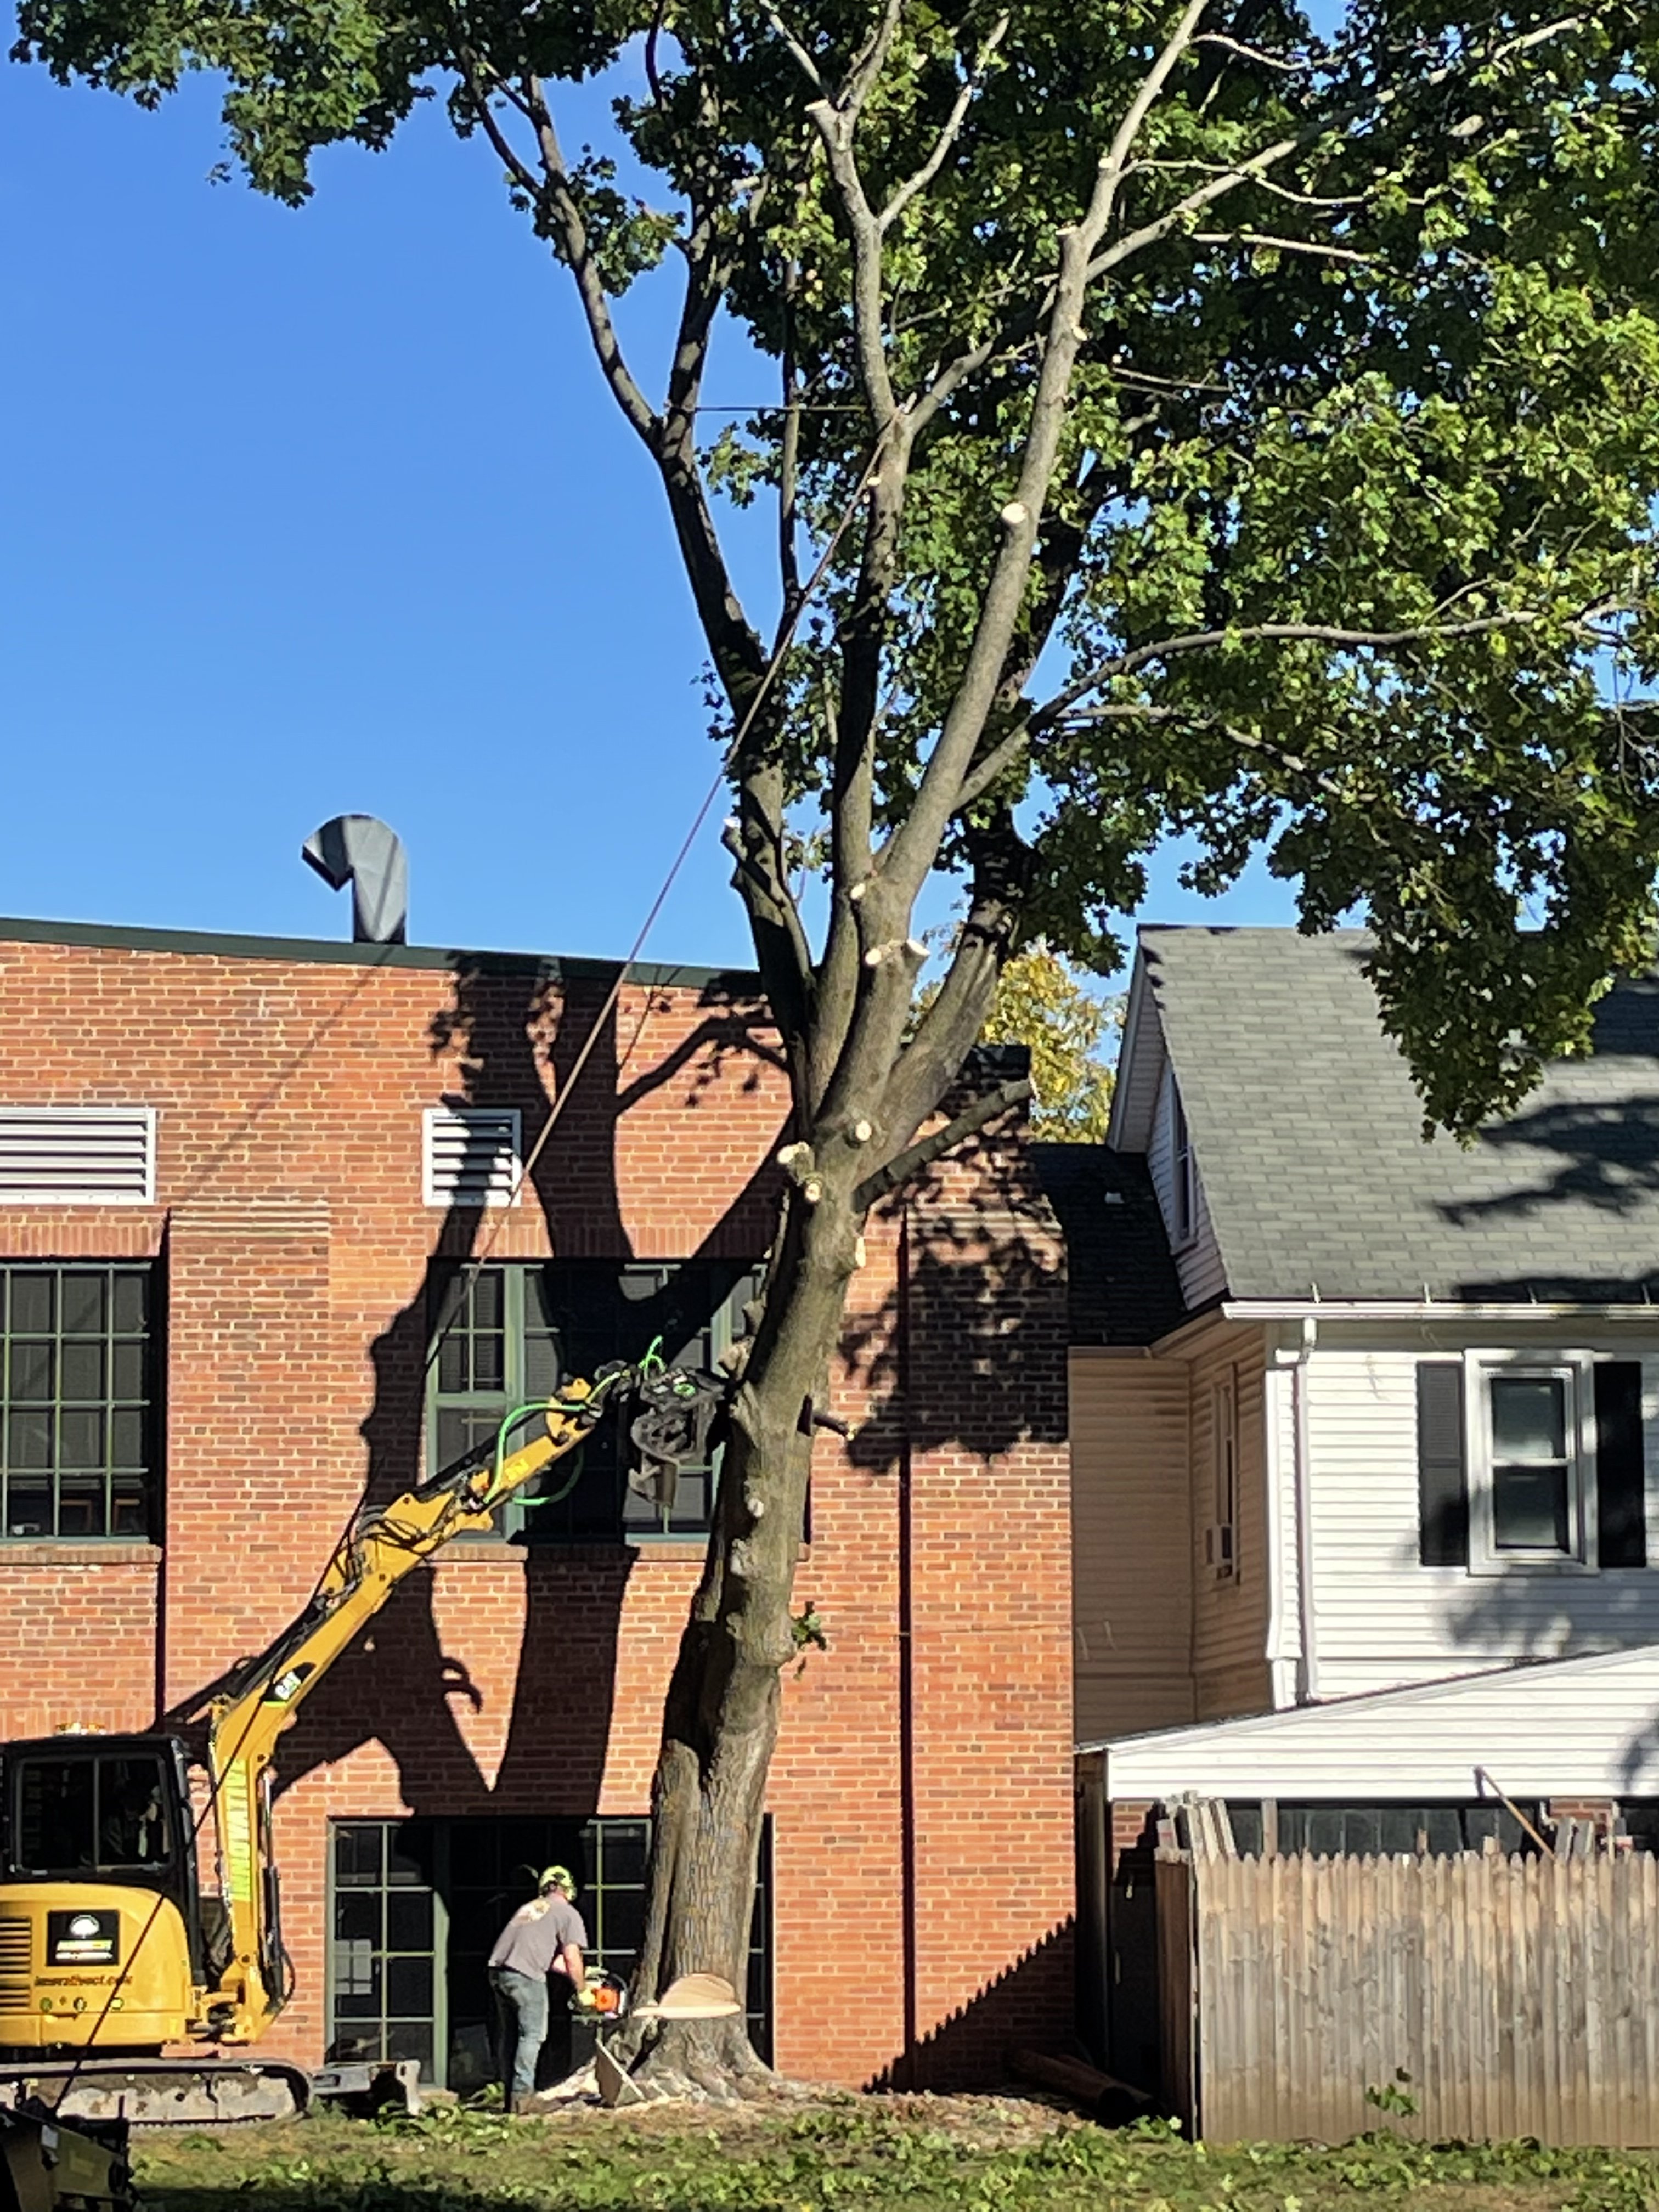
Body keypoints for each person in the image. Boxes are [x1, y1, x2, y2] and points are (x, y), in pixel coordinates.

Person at [487, 1865, 590, 2112]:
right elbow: (571, 1956)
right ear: (569, 1889)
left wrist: (582, 1975)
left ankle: (509, 2095)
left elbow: (550, 1958)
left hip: (499, 1973)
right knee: (533, 2035)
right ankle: (524, 2098)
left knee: (511, 2035)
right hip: (526, 1975)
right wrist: (583, 1989)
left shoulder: (530, 1909)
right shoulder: (567, 1913)